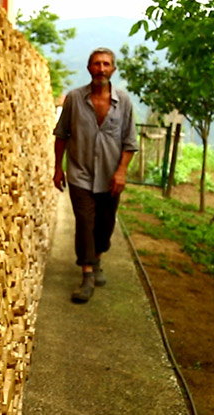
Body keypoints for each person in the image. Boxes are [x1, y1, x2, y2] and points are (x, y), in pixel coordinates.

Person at [53, 47, 138, 303]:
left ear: (113, 69)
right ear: (89, 68)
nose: (101, 68)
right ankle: (87, 274)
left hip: (111, 177)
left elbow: (129, 142)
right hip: (80, 174)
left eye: (106, 64)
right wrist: (58, 168)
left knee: (104, 224)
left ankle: (97, 259)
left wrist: (121, 172)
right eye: (97, 64)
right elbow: (61, 135)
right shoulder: (75, 99)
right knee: (84, 223)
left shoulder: (123, 102)